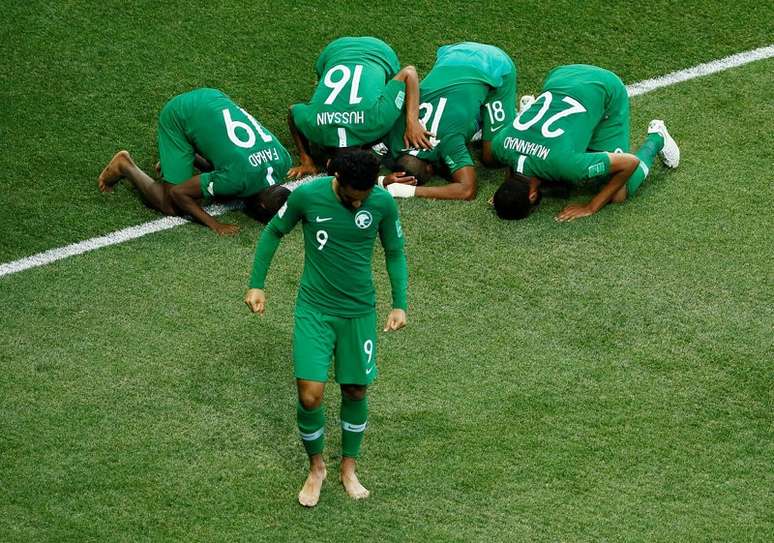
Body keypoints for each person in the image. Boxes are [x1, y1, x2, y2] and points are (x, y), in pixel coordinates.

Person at [244, 150, 408, 507]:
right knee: (310, 395)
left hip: (359, 313)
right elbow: (274, 231)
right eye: (351, 196)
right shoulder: (307, 195)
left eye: (363, 198)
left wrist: (399, 304)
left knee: (354, 391)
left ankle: (348, 468)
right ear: (338, 180)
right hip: (314, 311)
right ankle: (316, 467)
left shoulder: (381, 203)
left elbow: (394, 252)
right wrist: (257, 283)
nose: (357, 203)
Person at [491, 64, 680, 221]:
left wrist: (590, 207)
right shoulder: (500, 146)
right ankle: (530, 107)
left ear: (532, 196)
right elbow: (512, 162)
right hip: (560, 75)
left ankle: (657, 138)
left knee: (618, 194)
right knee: (557, 172)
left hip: (606, 89)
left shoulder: (566, 165)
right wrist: (508, 194)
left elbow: (630, 162)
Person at [98, 88, 292, 235]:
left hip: (214, 98)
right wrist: (214, 224)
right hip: (179, 115)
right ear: (262, 207)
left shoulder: (284, 160)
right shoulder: (237, 178)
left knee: (226, 185)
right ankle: (125, 165)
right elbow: (178, 193)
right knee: (170, 205)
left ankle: (177, 160)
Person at [382, 41, 518, 201]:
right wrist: (382, 181)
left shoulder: (448, 142)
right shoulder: (394, 133)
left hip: (496, 66)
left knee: (491, 158)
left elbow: (467, 190)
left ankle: (521, 117)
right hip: (453, 54)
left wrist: (409, 191)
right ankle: (480, 122)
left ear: (429, 168)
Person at [287, 36, 429, 178]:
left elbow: (409, 73)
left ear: (329, 163)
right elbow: (293, 111)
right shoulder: (313, 127)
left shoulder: (378, 121)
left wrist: (412, 122)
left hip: (376, 52)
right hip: (335, 51)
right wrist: (307, 160)